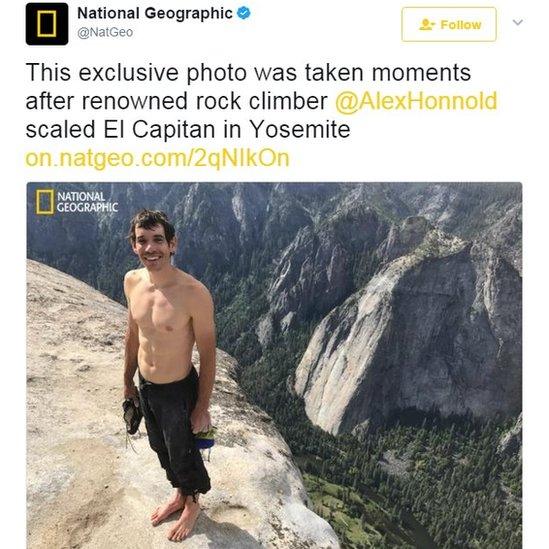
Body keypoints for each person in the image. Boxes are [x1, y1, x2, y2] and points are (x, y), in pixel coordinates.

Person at [123, 209, 215, 542]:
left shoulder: (194, 293)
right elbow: (133, 335)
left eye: (158, 240)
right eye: (142, 241)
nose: (151, 248)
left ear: (172, 243)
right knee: (161, 447)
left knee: (184, 451)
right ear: (134, 245)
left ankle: (192, 504)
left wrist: (202, 406)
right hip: (147, 387)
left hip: (179, 390)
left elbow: (207, 353)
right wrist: (127, 383)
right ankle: (179, 494)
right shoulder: (132, 282)